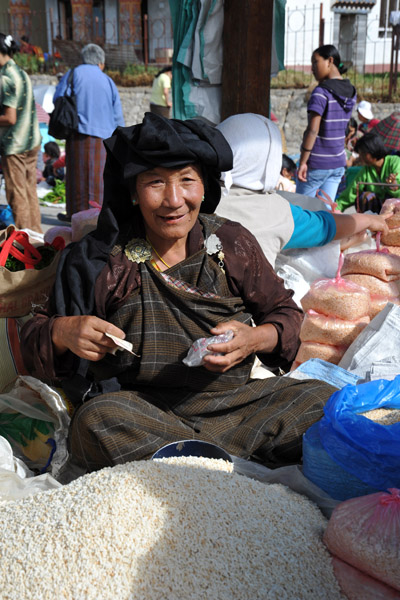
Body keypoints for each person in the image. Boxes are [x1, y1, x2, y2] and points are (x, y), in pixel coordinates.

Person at [20, 112, 338, 473]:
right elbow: (32, 335)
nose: (174, 200)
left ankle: (201, 469)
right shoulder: (99, 260)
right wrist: (63, 332)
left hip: (237, 407)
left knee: (321, 400)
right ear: (134, 192)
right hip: (145, 413)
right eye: (155, 183)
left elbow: (287, 315)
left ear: (205, 187)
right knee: (97, 419)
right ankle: (229, 472)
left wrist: (253, 339)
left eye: (187, 180)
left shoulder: (231, 243)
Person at [215, 113, 389, 267]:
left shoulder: (198, 194)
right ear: (271, 161)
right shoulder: (272, 211)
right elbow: (324, 226)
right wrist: (368, 219)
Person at [53, 43, 125, 222]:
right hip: (103, 138)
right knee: (98, 180)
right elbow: (118, 115)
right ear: (100, 62)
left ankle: (75, 216)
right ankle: (97, 218)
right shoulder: (108, 81)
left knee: (76, 178)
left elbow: (58, 99)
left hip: (78, 135)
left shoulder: (73, 74)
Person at [296, 44, 357, 201]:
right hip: (338, 162)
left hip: (317, 163)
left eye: (315, 62)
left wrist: (303, 162)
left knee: (302, 212)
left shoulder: (321, 92)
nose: (312, 68)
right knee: (326, 213)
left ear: (330, 61)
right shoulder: (351, 92)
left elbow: (312, 131)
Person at [0, 33, 42, 233]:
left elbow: (10, 118)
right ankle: (38, 237)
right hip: (31, 140)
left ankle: (26, 243)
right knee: (29, 190)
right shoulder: (21, 72)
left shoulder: (5, 77)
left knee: (17, 194)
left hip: (15, 143)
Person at [337, 131, 400, 213]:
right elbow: (352, 191)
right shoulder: (366, 169)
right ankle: (370, 223)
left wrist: (394, 187)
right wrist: (336, 207)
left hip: (394, 208)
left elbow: (397, 185)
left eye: (363, 153)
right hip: (378, 210)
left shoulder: (394, 162)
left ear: (373, 150)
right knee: (365, 197)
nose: (360, 157)